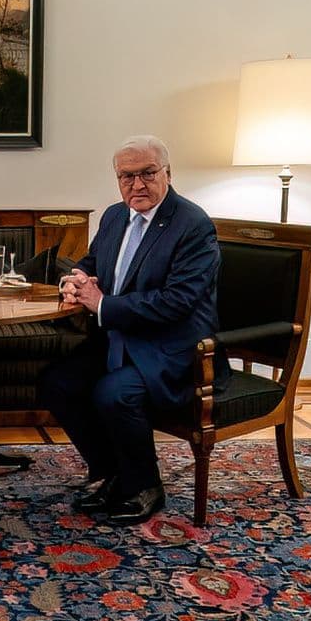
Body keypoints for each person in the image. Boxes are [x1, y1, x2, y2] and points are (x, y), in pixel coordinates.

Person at [37, 135, 220, 523]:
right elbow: (91, 263)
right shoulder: (115, 216)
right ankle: (115, 474)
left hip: (172, 348)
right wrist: (75, 280)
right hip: (120, 338)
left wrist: (101, 304)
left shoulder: (193, 224)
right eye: (126, 176)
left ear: (168, 173)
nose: (137, 184)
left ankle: (145, 486)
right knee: (57, 382)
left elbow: (177, 302)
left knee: (114, 393)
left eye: (147, 173)